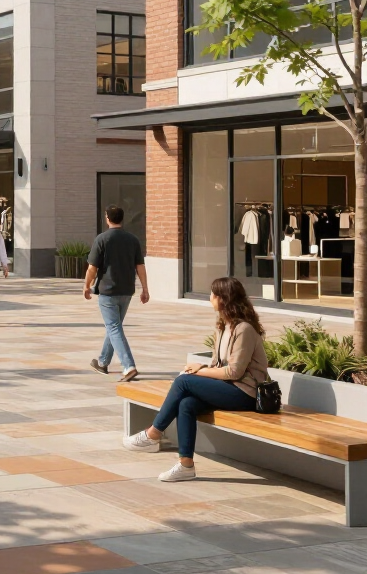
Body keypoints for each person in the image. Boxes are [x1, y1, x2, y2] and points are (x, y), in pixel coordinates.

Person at [124, 276, 268, 482]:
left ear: (224, 299)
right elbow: (219, 366)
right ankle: (186, 465)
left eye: (213, 294)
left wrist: (197, 372)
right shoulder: (223, 327)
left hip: (246, 393)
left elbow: (234, 372)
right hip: (227, 388)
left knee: (183, 381)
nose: (210, 298)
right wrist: (201, 368)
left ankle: (153, 433)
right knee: (187, 404)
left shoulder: (243, 329)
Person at [85, 204, 149, 382]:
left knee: (113, 327)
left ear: (107, 218)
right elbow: (140, 266)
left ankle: (129, 366)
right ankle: (103, 362)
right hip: (126, 291)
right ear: (122, 219)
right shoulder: (132, 240)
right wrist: (145, 288)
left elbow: (92, 268)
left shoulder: (102, 239)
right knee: (114, 326)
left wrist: (86, 285)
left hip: (107, 291)